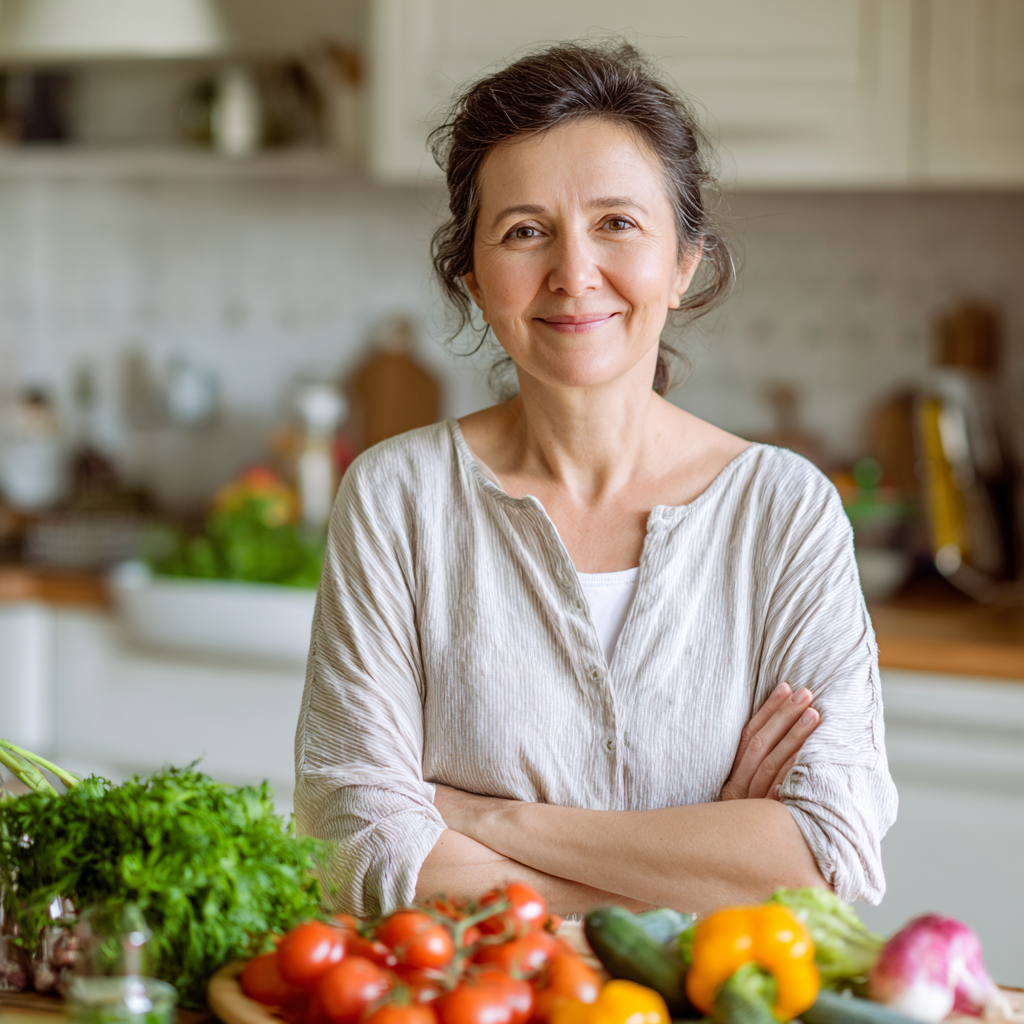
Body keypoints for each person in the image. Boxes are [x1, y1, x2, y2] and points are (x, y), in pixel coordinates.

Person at [294, 42, 896, 918]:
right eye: (525, 231)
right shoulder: (397, 498)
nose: (574, 275)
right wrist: (698, 858)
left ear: (684, 262)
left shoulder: (784, 511)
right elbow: (360, 845)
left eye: (617, 223)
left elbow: (826, 857)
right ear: (473, 277)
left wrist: (493, 819)